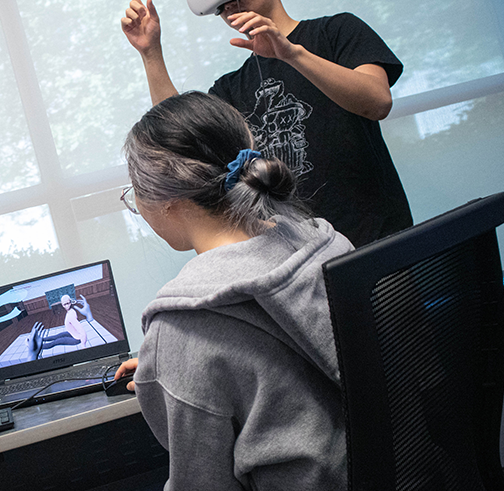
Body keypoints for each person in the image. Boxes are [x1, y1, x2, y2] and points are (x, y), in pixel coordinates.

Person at [113, 91, 354, 489]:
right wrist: (177, 362)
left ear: (167, 200)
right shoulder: (325, 244)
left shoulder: (184, 327)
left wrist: (179, 352)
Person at [121, 0, 412, 247]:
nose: (230, 3)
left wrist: (292, 54)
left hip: (376, 238)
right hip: (294, 256)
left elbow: (377, 101)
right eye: (220, 1)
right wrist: (151, 53)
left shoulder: (335, 32)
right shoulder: (231, 87)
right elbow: (181, 141)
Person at [25, 294, 89, 360]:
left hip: (77, 339)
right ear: (62, 304)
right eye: (65, 304)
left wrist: (83, 345)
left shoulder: (71, 315)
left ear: (70, 302)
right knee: (56, 336)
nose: (67, 306)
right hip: (72, 333)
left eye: (68, 303)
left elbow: (82, 331)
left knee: (55, 342)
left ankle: (35, 347)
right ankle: (41, 339)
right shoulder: (70, 311)